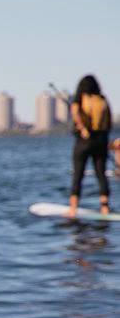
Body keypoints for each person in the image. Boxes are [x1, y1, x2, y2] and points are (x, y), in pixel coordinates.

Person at [68, 75, 111, 216]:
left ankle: (73, 209)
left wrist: (83, 129)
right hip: (101, 140)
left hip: (84, 141)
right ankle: (105, 208)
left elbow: (75, 114)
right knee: (101, 174)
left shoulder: (80, 98)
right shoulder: (103, 100)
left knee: (78, 174)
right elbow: (108, 122)